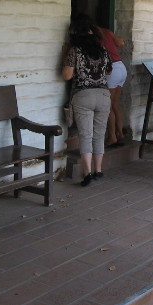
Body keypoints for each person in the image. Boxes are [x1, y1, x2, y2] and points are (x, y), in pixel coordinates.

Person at [62, 17, 112, 187]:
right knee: (99, 134)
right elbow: (109, 71)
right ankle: (98, 170)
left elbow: (67, 75)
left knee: (86, 135)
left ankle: (87, 173)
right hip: (104, 95)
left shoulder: (75, 51)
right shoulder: (102, 50)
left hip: (83, 95)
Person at [99, 26, 127, 147]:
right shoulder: (106, 32)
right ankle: (120, 133)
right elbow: (121, 42)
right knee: (115, 103)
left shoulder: (93, 35)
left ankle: (112, 137)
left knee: (108, 106)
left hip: (111, 68)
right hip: (121, 66)